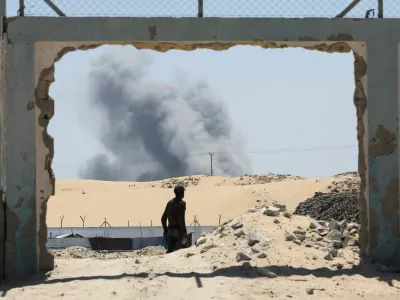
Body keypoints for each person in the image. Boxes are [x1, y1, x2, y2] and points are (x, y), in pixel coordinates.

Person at [161, 183, 188, 253]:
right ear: (182, 193)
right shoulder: (182, 203)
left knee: (170, 251)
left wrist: (165, 230)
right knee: (181, 252)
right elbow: (181, 220)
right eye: (183, 192)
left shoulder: (169, 203)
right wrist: (185, 232)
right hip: (178, 232)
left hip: (170, 231)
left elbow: (163, 218)